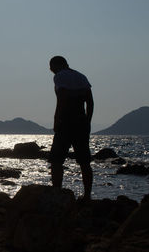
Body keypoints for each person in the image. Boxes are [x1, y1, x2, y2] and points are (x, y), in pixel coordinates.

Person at [49, 56, 94, 200]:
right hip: (81, 121)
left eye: (51, 67)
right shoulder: (81, 76)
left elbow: (61, 99)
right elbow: (90, 102)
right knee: (84, 161)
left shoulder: (59, 76)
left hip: (66, 122)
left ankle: (56, 192)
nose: (51, 71)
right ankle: (87, 196)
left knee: (56, 160)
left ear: (56, 66)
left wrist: (56, 119)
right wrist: (88, 121)